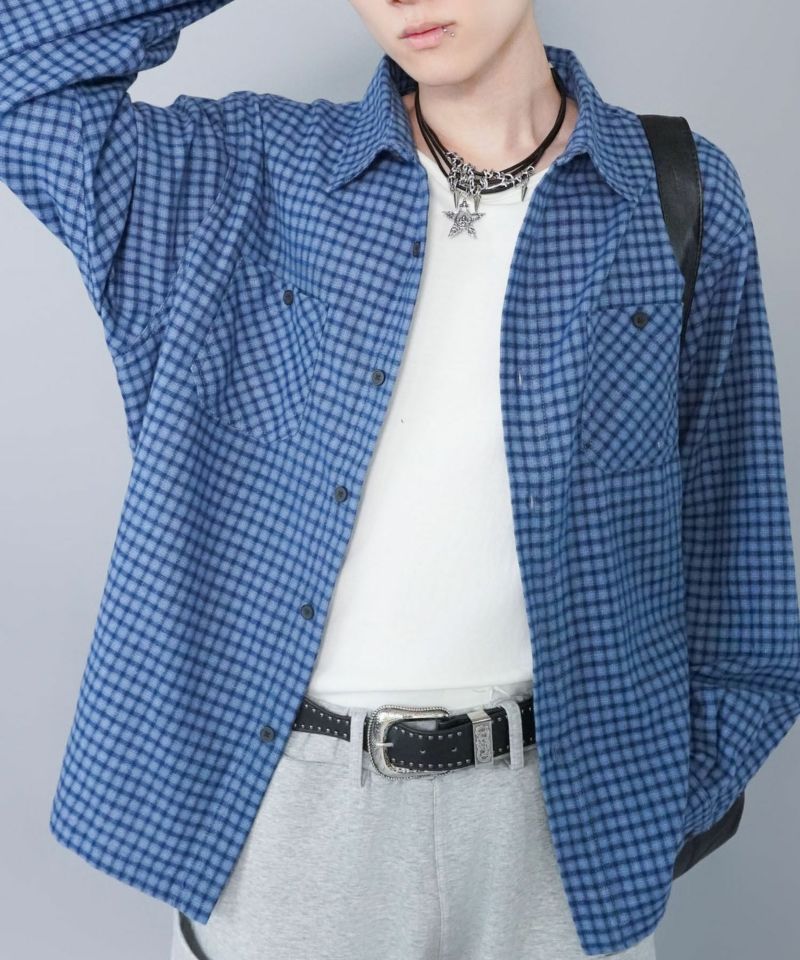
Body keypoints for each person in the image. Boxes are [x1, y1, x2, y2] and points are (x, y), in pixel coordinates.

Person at [2, 1, 799, 959]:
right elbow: (18, 73)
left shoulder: (673, 194)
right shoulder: (245, 172)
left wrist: (651, 804)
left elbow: (737, 553)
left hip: (563, 823)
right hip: (296, 820)